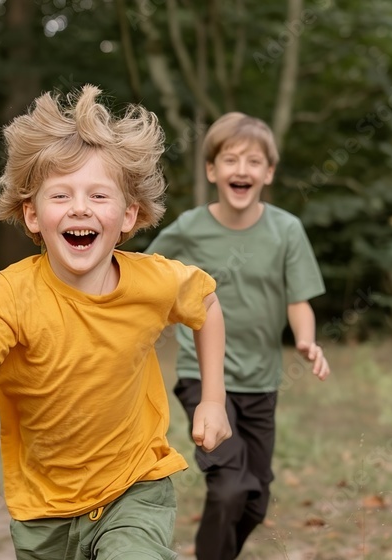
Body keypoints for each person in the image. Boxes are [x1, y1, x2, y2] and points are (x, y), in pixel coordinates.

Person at [0, 85, 232, 559]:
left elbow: (207, 306)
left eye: (99, 195)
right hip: (43, 508)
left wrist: (213, 399)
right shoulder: (12, 293)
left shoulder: (155, 281)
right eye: (61, 195)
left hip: (135, 485)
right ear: (32, 214)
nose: (80, 208)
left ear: (129, 214)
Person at [145, 112, 331, 560]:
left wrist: (307, 339)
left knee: (255, 498)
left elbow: (299, 298)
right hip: (203, 375)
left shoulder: (286, 230)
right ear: (212, 170)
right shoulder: (191, 227)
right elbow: (146, 275)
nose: (241, 170)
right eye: (230, 160)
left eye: (253, 161)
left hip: (262, 381)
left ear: (268, 172)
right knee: (229, 485)